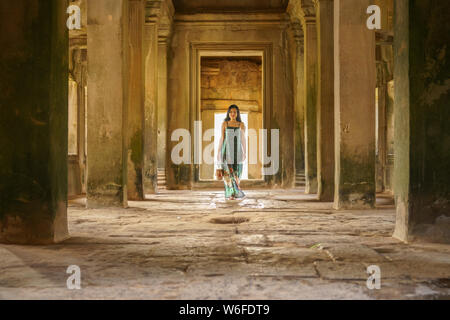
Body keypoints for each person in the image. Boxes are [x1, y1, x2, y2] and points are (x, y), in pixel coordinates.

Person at [217, 105, 246, 200]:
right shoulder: (225, 124)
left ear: (237, 114)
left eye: (235, 112)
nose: (233, 114)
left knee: (237, 172)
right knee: (228, 172)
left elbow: (243, 139)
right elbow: (222, 138)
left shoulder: (241, 124)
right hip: (227, 151)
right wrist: (218, 151)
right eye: (231, 112)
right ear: (228, 113)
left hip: (237, 151)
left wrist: (244, 152)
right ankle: (231, 194)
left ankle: (235, 192)